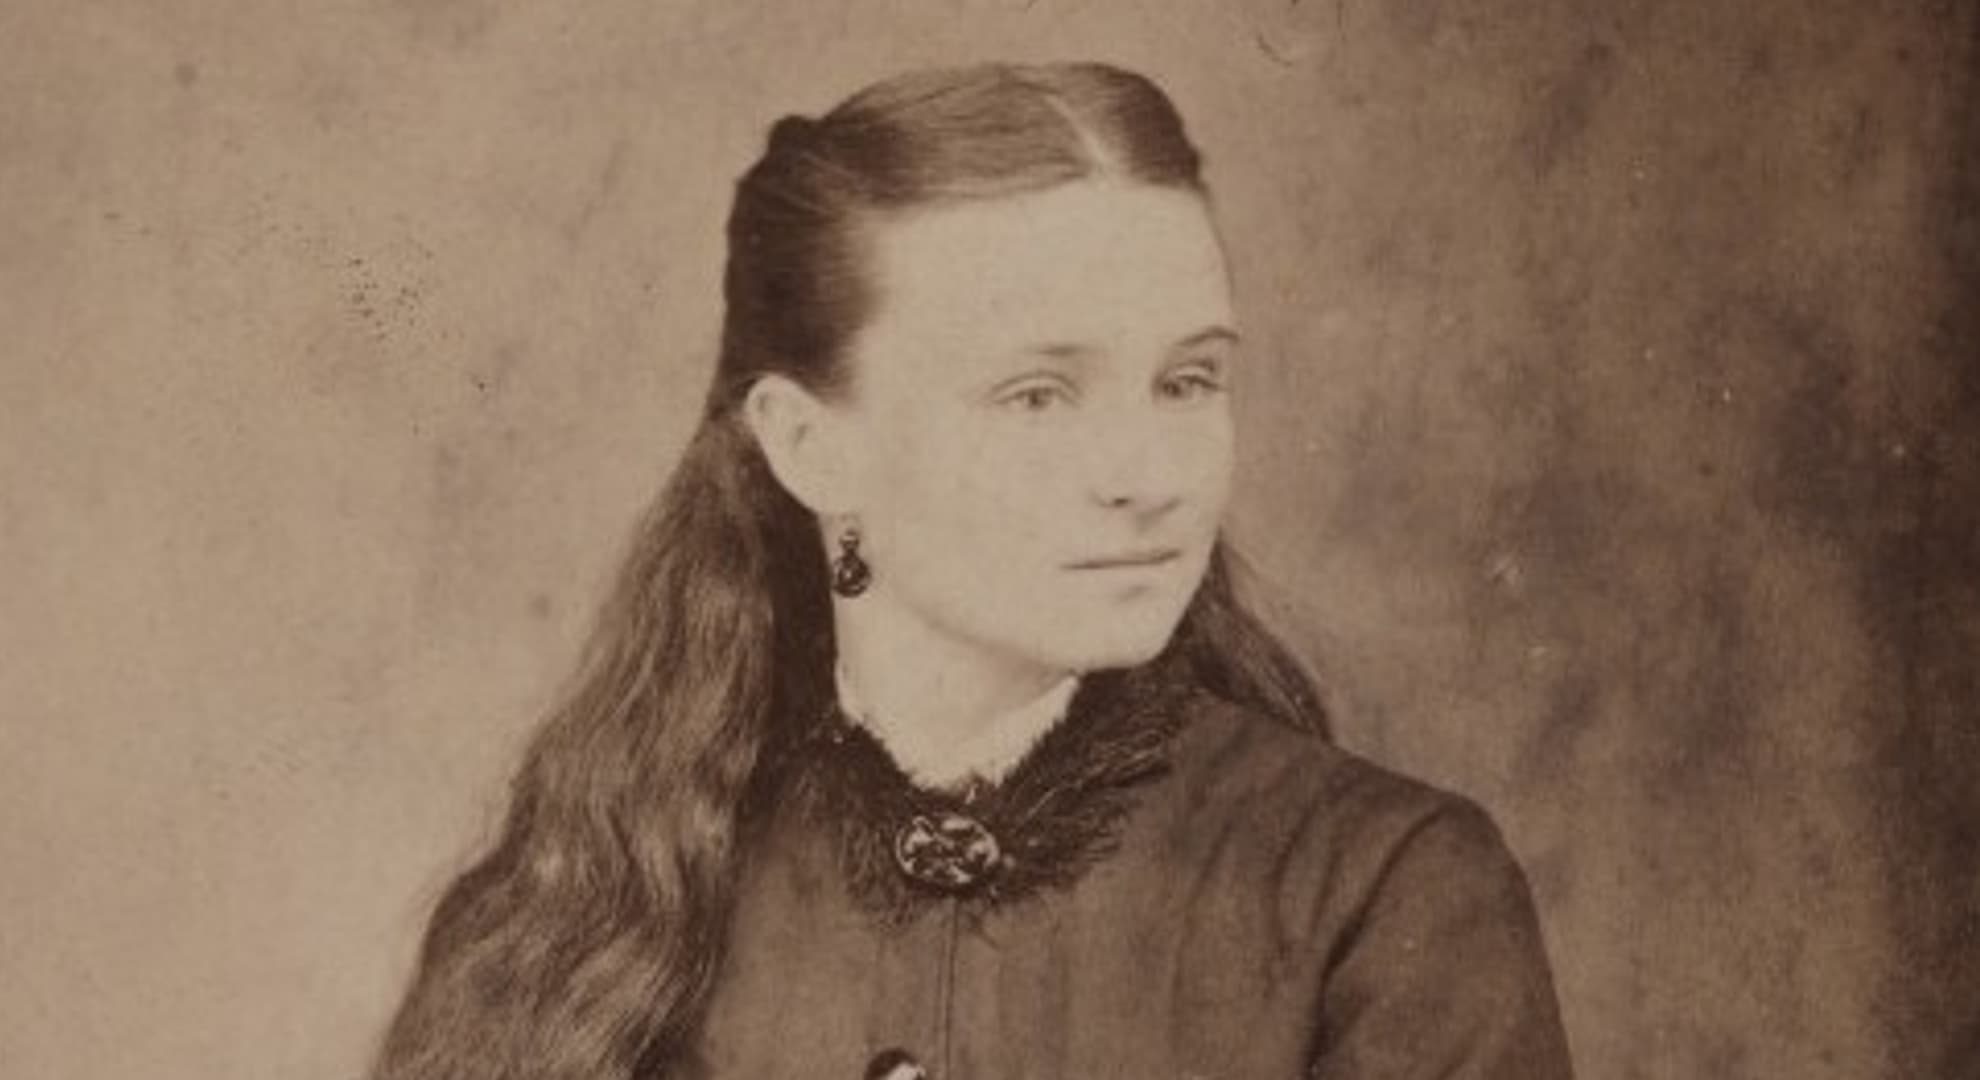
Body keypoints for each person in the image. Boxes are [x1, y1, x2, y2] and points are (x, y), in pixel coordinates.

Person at [369, 61, 1574, 1080]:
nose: (1146, 472)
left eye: (1188, 380)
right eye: (1037, 395)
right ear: (808, 443)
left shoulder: (1383, 893)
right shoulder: (588, 901)